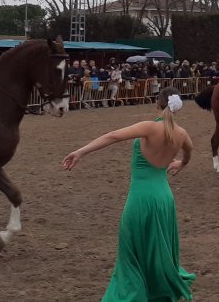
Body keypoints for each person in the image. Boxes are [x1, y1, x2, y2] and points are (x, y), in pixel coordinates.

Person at [61, 87, 196, 302]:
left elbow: (113, 136)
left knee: (131, 250)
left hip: (140, 199)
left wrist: (81, 151)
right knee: (158, 249)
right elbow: (189, 152)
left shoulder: (150, 127)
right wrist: (181, 163)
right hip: (164, 199)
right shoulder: (181, 134)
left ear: (157, 103)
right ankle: (159, 291)